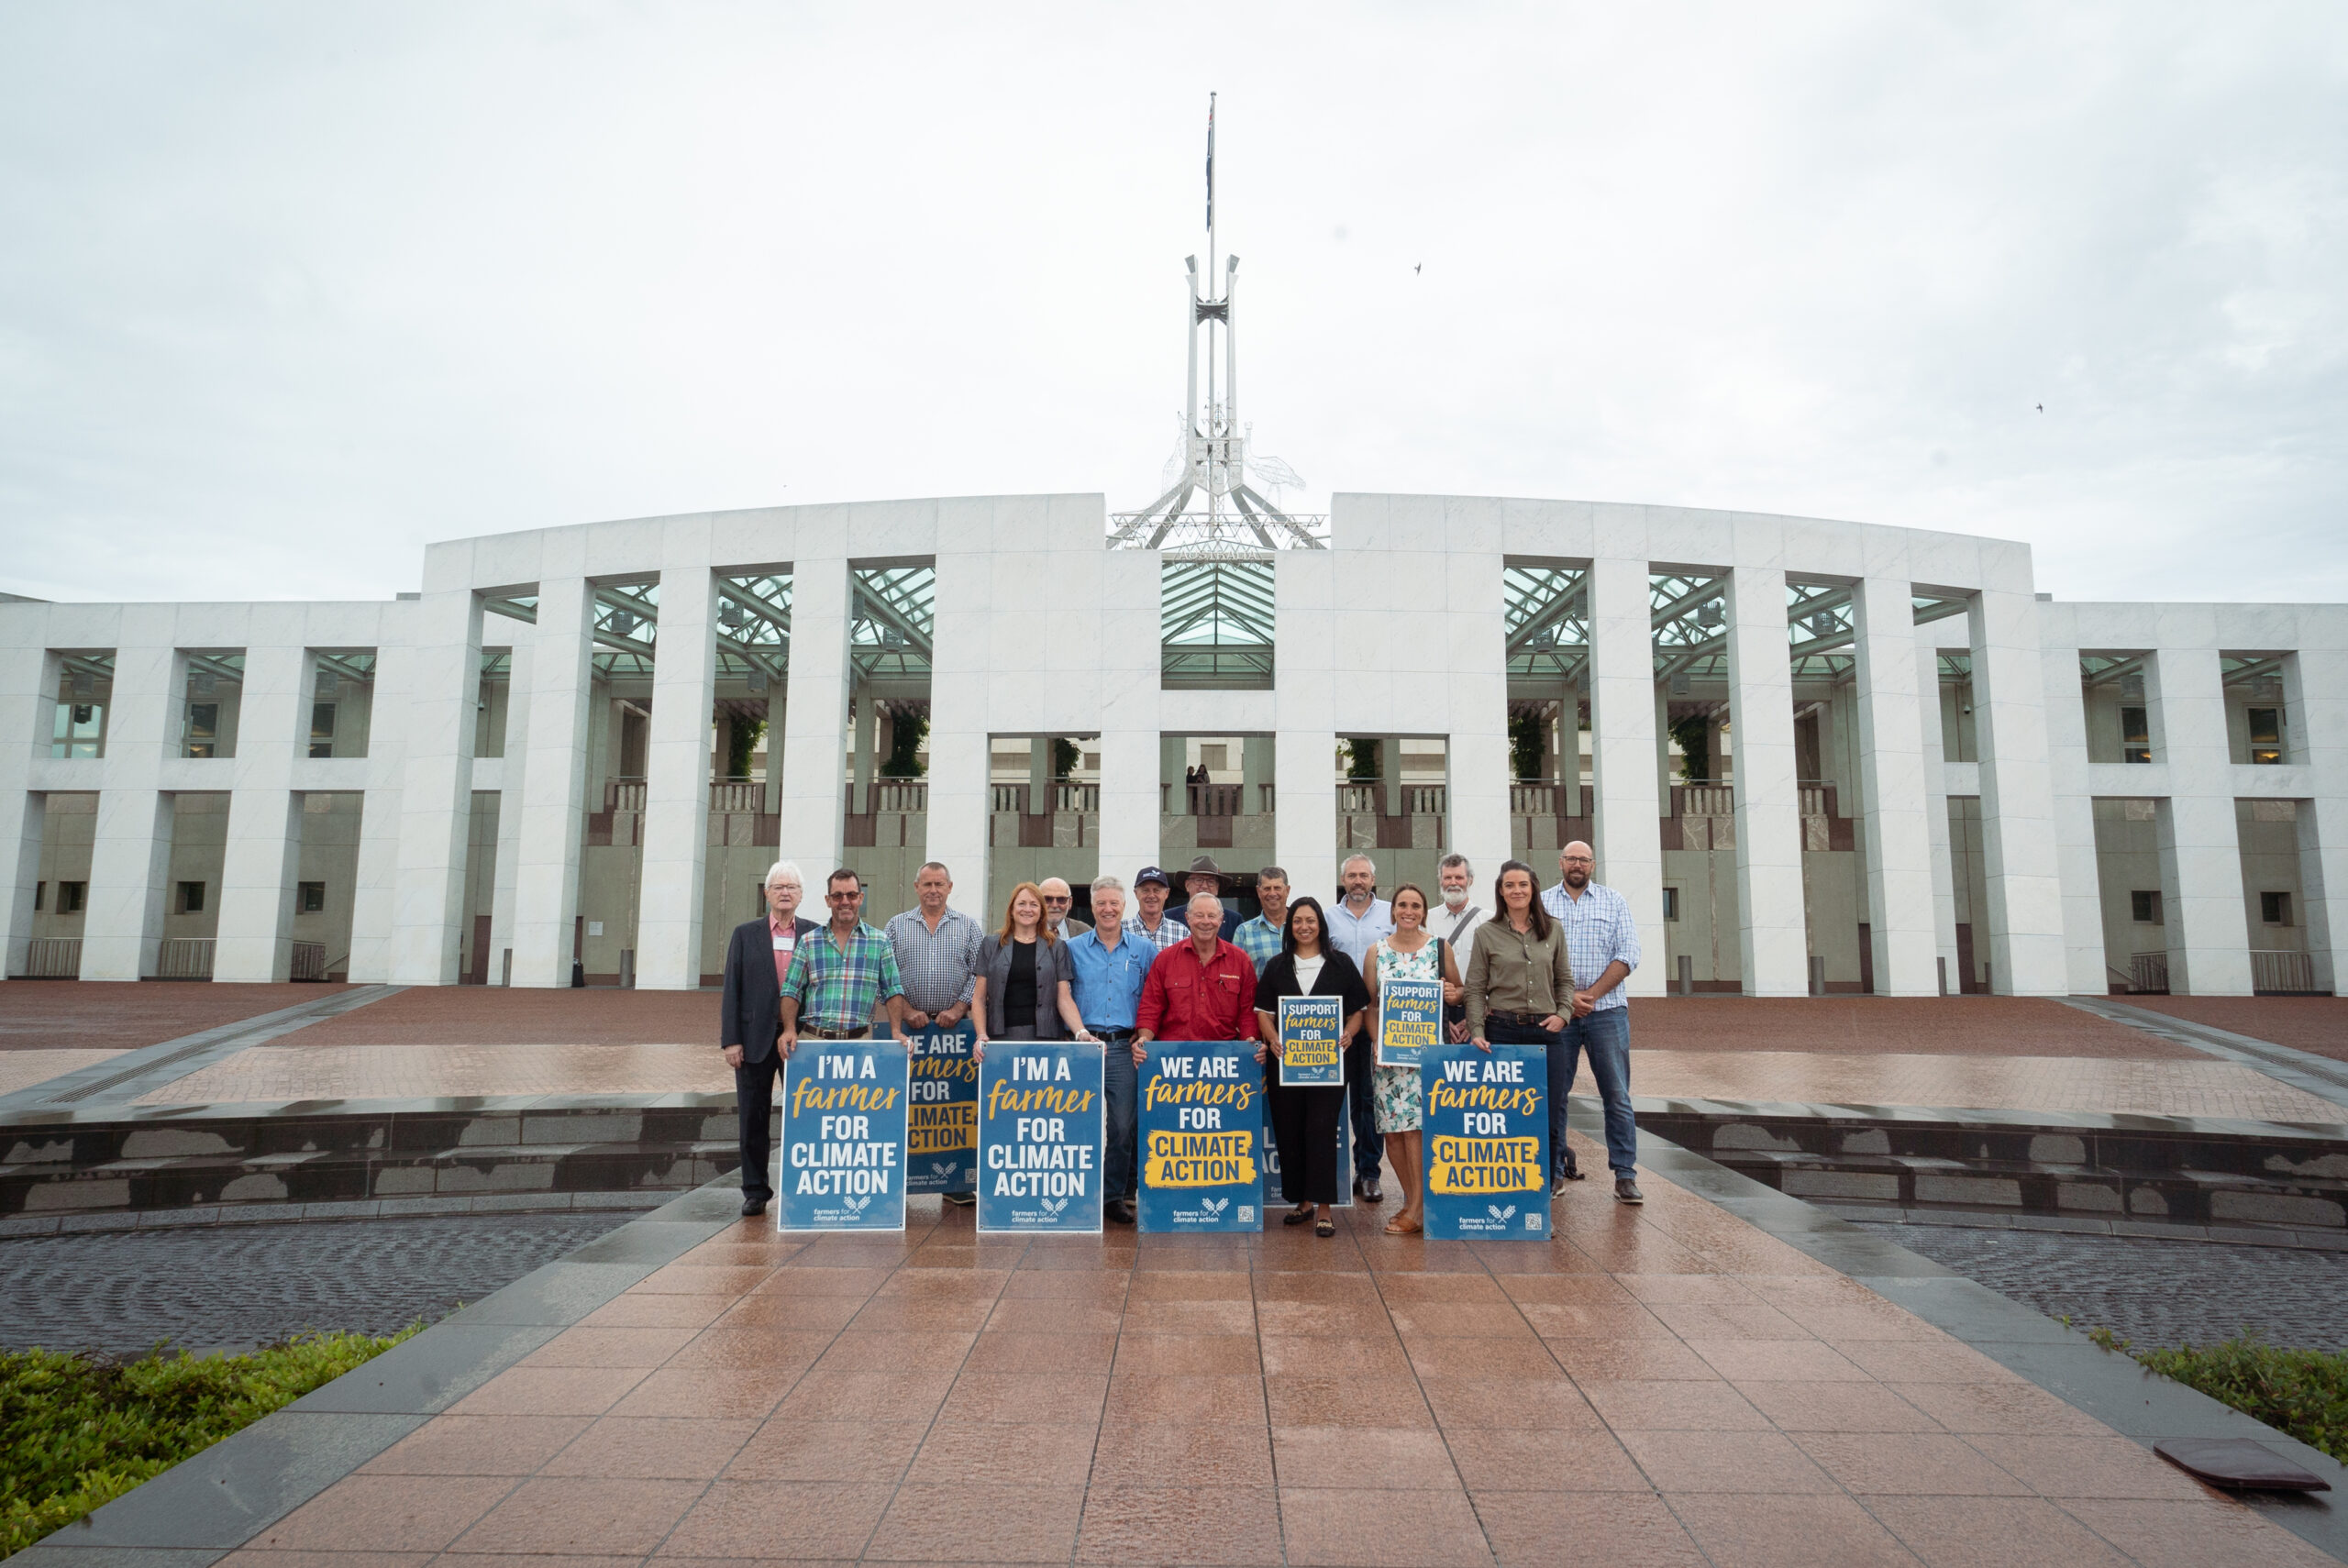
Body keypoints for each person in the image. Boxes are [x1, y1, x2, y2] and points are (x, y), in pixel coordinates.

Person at [1254, 896, 1369, 1238]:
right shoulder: (1277, 966)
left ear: (1321, 924)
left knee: (1321, 1132)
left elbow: (1358, 1010)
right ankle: (1302, 1201)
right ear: (1290, 927)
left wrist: (1349, 1033)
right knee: (1288, 1132)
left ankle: (1324, 1207)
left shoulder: (1341, 964)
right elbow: (1263, 1012)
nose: (1304, 927)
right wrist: (1273, 1038)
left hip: (1328, 1068)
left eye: (1310, 921)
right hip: (1284, 1066)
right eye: (1298, 922)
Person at [1464, 857, 1582, 1187]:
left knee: (1551, 1109)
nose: (1516, 890)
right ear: (1501, 892)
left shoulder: (1553, 929)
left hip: (1547, 1033)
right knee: (1506, 1114)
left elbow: (1565, 980)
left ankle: (1549, 1178)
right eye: (1509, 885)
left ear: (1533, 889)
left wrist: (1563, 1014)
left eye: (1522, 884)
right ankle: (1507, 1182)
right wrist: (1476, 1030)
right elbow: (1474, 988)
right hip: (1503, 1032)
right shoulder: (1486, 933)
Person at [1540, 841, 1645, 1203]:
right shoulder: (1542, 903)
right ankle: (1554, 1174)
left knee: (1616, 1095)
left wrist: (1592, 995)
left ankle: (1625, 1175)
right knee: (1555, 1096)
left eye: (1584, 859)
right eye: (1571, 858)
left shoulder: (1613, 901)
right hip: (1558, 1014)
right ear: (1561, 862)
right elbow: (1534, 958)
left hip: (1607, 1012)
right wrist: (1567, 1001)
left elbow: (1628, 954)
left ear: (1593, 865)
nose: (1577, 864)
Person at [718, 860, 821, 1217]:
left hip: (801, 1040)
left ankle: (808, 1187)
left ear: (802, 895)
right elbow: (732, 988)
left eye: (792, 887)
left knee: (808, 1116)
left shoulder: (814, 933)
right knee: (753, 1118)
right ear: (766, 893)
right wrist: (731, 1040)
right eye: (778, 887)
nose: (785, 892)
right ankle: (755, 1191)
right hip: (754, 1039)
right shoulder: (745, 934)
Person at [1361, 884, 1463, 1236]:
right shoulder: (1376, 952)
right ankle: (1410, 1199)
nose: (1408, 910)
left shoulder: (1439, 947)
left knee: (1416, 1132)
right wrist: (1376, 1041)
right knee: (1393, 1133)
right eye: (1402, 905)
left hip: (1427, 1057)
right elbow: (1371, 1007)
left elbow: (1458, 991)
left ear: (1423, 911)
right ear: (1393, 912)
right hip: (1389, 1057)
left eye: (1416, 905)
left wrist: (1454, 993)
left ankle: (1419, 1209)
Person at [883, 860, 987, 1205]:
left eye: (939, 884)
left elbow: (978, 973)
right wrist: (907, 1011)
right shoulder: (896, 926)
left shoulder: (969, 926)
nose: (933, 890)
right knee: (909, 1106)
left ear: (950, 887)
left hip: (955, 1031)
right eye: (926, 884)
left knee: (953, 1106)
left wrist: (959, 1008)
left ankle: (955, 1180)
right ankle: (905, 1180)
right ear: (916, 887)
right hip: (910, 1029)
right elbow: (889, 974)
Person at [1059, 877, 1155, 1224]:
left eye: (1114, 903)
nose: (1108, 909)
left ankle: (1113, 1196)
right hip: (1083, 1046)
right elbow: (1063, 994)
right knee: (1075, 1124)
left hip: (1124, 1048)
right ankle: (1076, 1190)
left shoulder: (1144, 950)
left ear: (1123, 906)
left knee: (1122, 1126)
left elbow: (1153, 998)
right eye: (1101, 903)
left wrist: (1145, 1033)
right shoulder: (1072, 949)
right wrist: (1080, 1033)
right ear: (1092, 906)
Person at [779, 868, 910, 1055]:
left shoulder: (880, 941)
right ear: (828, 900)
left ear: (861, 898)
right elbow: (791, 990)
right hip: (813, 1043)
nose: (845, 902)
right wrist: (789, 1029)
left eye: (852, 895)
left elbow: (893, 990)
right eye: (838, 896)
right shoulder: (808, 941)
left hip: (859, 1044)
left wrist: (896, 1031)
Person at [1324, 853, 1394, 1202]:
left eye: (1363, 875)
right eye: (1351, 875)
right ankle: (1331, 1172)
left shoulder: (1389, 915)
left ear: (1372, 879)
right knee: (1334, 1096)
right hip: (1333, 1023)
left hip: (1375, 1019)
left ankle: (1368, 1173)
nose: (1357, 881)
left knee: (1369, 1100)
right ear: (1343, 879)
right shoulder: (1327, 918)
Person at [1133, 892, 1261, 1077]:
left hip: (1225, 1059)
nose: (1205, 921)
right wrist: (1144, 1039)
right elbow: (1151, 1006)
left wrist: (1250, 1042)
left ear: (1221, 919)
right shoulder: (1166, 959)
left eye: (1211, 916)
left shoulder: (1240, 960)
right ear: (1188, 918)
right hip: (1172, 1060)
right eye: (1199, 915)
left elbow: (1248, 1010)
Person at [972, 881, 1082, 1046]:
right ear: (1011, 910)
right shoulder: (990, 944)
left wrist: (1081, 1032)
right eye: (1021, 904)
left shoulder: (1057, 947)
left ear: (1041, 911)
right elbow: (979, 998)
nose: (1027, 909)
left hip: (1046, 1037)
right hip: (999, 1037)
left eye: (1034, 905)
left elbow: (1064, 998)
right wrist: (981, 1035)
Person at [1430, 854, 1486, 1044]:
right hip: (1435, 1012)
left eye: (1459, 877)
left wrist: (1477, 1019)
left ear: (1470, 880)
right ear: (1440, 880)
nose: (1453, 883)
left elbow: (1496, 973)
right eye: (1448, 878)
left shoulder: (1489, 921)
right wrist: (1440, 1020)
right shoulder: (1425, 920)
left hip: (1479, 1012)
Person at [1232, 866, 1290, 969]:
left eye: (1277, 888)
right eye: (1267, 888)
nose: (1272, 893)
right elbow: (1235, 973)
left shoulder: (1302, 928)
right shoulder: (1244, 932)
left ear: (1287, 890)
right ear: (1259, 892)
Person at [1125, 866, 1187, 950]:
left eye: (1156, 890)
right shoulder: (1122, 930)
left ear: (1166, 893)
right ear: (1136, 893)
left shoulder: (1181, 932)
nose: (1151, 895)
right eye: (1145, 890)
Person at [1185, 855, 1243, 938]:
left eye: (1211, 881)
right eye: (1199, 880)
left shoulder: (1234, 920)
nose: (1204, 886)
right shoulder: (1170, 917)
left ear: (1217, 888)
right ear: (1187, 885)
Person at [1039, 877, 1091, 943]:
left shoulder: (1085, 933)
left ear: (1070, 902)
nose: (1054, 905)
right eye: (1047, 899)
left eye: (1061, 899)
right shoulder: (1027, 931)